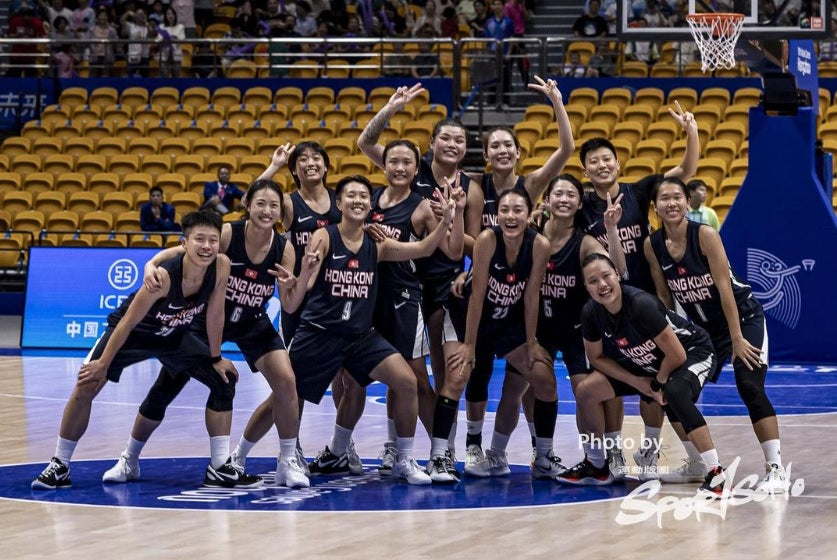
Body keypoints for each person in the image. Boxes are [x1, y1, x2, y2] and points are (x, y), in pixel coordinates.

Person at [103, 180, 313, 489]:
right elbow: (183, 249)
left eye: (274, 206)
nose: (267, 210)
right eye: (261, 204)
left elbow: (291, 305)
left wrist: (298, 278)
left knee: (287, 381)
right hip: (210, 318)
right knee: (168, 385)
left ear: (280, 211)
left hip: (253, 320)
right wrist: (151, 262)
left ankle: (286, 462)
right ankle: (129, 457)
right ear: (248, 206)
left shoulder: (286, 249)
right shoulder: (229, 233)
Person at [32, 211, 238, 490]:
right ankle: (60, 464)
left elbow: (215, 313)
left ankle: (219, 467)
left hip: (173, 335)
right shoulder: (164, 278)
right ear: (184, 243)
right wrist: (103, 363)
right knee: (86, 384)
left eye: (213, 240)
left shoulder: (221, 265)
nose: (207, 246)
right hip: (133, 333)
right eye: (199, 239)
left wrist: (216, 357)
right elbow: (129, 321)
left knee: (223, 379)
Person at [290, 175, 458, 485]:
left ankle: (404, 459)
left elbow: (422, 249)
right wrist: (302, 278)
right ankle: (251, 454)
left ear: (371, 205)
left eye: (363, 196)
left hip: (360, 335)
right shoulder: (324, 237)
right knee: (288, 391)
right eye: (350, 195)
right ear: (338, 203)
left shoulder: (377, 243)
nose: (357, 200)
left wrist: (447, 219)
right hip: (322, 331)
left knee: (407, 381)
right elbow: (307, 284)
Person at [456, 76, 575, 475]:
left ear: (518, 153)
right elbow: (472, 237)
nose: (503, 151)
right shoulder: (476, 188)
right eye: (495, 146)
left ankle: (536, 452)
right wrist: (485, 265)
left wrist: (557, 101)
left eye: (509, 145)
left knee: (527, 380)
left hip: (519, 298)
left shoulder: (532, 184)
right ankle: (473, 445)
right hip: (485, 290)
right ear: (487, 155)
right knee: (478, 370)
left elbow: (566, 149)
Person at [358, 85, 482, 464]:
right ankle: (398, 444)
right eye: (445, 137)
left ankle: (442, 450)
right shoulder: (408, 169)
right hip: (398, 286)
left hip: (441, 287)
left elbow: (468, 245)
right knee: (402, 374)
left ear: (465, 148)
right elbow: (366, 141)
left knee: (442, 377)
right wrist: (392, 107)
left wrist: (452, 216)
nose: (452, 144)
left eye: (459, 140)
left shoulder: (470, 189)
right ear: (431, 142)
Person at [577, 101, 699, 478]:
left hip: (644, 301)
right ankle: (606, 457)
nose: (601, 165)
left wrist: (690, 131)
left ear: (618, 163)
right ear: (586, 170)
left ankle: (649, 448)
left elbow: (685, 172)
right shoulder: (582, 207)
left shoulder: (639, 190)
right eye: (593, 161)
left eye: (606, 159)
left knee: (655, 379)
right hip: (607, 305)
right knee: (611, 379)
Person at [644, 177, 789, 493]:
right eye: (664, 198)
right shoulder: (652, 244)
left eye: (677, 197)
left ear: (686, 202)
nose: (672, 203)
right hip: (703, 332)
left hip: (742, 318)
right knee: (673, 391)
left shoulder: (705, 235)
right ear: (655, 207)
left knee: (749, 384)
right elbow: (664, 297)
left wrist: (737, 337)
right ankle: (698, 464)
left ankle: (776, 469)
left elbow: (724, 288)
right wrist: (670, 339)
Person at [557, 253, 727, 497]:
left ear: (617, 274)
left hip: (692, 352)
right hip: (647, 362)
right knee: (586, 390)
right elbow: (596, 358)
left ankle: (716, 472)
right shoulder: (591, 313)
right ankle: (596, 465)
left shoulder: (640, 304)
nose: (602, 285)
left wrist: (655, 384)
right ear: (586, 287)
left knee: (673, 392)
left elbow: (676, 355)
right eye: (593, 281)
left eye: (606, 276)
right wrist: (637, 382)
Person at [428, 188, 557, 482]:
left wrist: (532, 342)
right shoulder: (488, 239)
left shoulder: (539, 245)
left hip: (505, 323)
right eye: (505, 210)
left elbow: (531, 296)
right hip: (466, 317)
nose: (510, 216)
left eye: (518, 210)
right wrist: (471, 345)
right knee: (458, 374)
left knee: (544, 377)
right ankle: (439, 456)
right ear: (497, 214)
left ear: (528, 213)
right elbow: (478, 294)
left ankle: (544, 456)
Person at [230, 141, 342, 468]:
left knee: (349, 382)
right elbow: (250, 203)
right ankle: (286, 450)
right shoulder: (289, 204)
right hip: (301, 306)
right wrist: (273, 166)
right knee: (292, 385)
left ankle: (341, 445)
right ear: (294, 169)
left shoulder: (341, 201)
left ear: (326, 165)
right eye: (302, 159)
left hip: (338, 305)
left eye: (316, 157)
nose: (310, 163)